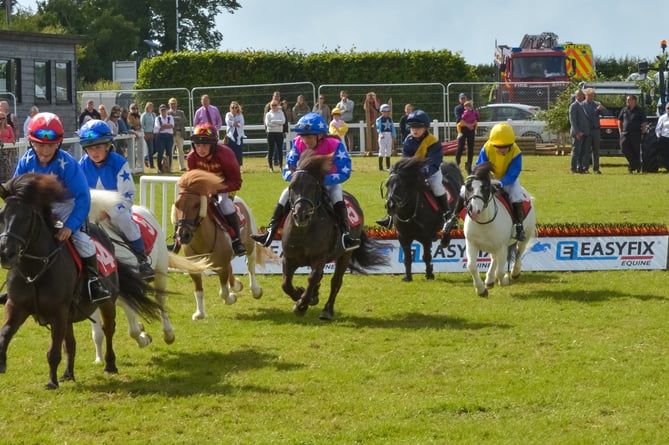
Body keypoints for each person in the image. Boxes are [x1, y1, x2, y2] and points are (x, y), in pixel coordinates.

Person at [14, 112, 111, 302]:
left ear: (58, 143)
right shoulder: (25, 161)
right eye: (39, 144)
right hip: (40, 208)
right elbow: (17, 191)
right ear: (31, 142)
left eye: (50, 145)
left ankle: (94, 282)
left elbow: (83, 198)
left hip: (69, 207)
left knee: (82, 240)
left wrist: (70, 227)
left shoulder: (68, 164)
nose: (44, 151)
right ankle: (17, 284)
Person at [251, 112, 360, 252]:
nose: (305, 140)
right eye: (302, 136)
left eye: (308, 136)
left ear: (320, 135)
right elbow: (287, 169)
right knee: (285, 194)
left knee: (336, 195)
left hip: (328, 183)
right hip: (303, 184)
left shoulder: (335, 145)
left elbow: (345, 171)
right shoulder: (297, 143)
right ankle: (270, 231)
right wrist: (297, 178)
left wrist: (321, 180)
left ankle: (346, 236)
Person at [78, 119, 154, 280]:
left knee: (125, 220)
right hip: (90, 211)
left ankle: (142, 261)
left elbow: (127, 196)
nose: (94, 152)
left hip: (117, 209)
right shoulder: (82, 165)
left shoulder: (119, 163)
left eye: (98, 146)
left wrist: (109, 212)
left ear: (108, 145)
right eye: (90, 148)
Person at [375, 110, 451, 247]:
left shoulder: (433, 142)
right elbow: (405, 159)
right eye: (412, 128)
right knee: (396, 187)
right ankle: (390, 216)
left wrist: (422, 173)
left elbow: (434, 162)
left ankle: (446, 214)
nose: (414, 130)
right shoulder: (408, 140)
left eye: (418, 128)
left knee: (437, 187)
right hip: (412, 173)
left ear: (425, 128)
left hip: (431, 172)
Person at [444, 122, 527, 243]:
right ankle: (453, 218)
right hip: (489, 178)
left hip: (508, 179)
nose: (502, 149)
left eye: (505, 147)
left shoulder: (516, 152)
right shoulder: (487, 147)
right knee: (463, 190)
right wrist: (483, 178)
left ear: (511, 144)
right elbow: (480, 166)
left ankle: (519, 226)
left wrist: (502, 182)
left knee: (516, 195)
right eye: (498, 147)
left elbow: (514, 171)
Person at [187, 123, 247, 256]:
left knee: (224, 204)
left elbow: (236, 182)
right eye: (197, 145)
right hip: (202, 188)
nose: (201, 149)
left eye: (205, 145)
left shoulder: (226, 155)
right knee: (186, 204)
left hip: (225, 187)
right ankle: (178, 240)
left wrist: (215, 190)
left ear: (213, 145)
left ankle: (236, 241)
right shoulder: (191, 157)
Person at [617, 95, 648, 174]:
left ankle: (633, 167)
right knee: (623, 147)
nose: (627, 101)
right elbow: (619, 121)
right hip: (625, 133)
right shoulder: (624, 110)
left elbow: (644, 122)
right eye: (627, 100)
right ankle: (636, 164)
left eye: (629, 100)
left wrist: (643, 132)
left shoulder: (640, 110)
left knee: (635, 150)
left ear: (634, 101)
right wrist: (620, 131)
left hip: (636, 133)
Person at [581, 88, 607, 174]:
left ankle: (596, 169)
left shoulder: (597, 104)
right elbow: (585, 116)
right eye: (589, 95)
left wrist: (602, 109)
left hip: (596, 130)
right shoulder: (582, 105)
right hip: (587, 130)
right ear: (585, 96)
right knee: (586, 150)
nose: (591, 97)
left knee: (596, 150)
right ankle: (585, 168)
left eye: (592, 95)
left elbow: (606, 113)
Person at [455, 100, 479, 174]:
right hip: (463, 129)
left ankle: (469, 166)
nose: (463, 99)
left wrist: (473, 125)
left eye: (464, 98)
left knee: (470, 147)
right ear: (459, 99)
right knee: (460, 147)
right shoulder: (458, 108)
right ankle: (457, 164)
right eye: (461, 98)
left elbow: (476, 118)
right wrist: (468, 125)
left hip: (471, 129)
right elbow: (459, 119)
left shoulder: (473, 110)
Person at [569, 89, 590, 174]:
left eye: (582, 95)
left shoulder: (584, 105)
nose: (581, 96)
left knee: (583, 152)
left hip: (584, 132)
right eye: (579, 95)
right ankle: (573, 168)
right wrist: (577, 132)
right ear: (576, 96)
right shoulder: (574, 106)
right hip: (578, 133)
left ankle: (580, 167)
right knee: (576, 151)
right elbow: (573, 120)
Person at [264, 100, 285, 172]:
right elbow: (267, 124)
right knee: (271, 150)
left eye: (275, 105)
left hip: (279, 133)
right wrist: (277, 123)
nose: (274, 107)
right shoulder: (268, 114)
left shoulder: (281, 113)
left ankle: (280, 166)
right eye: (272, 105)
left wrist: (273, 121)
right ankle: (270, 167)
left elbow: (283, 121)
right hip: (271, 133)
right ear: (270, 106)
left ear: (278, 105)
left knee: (280, 150)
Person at [168, 97, 188, 171]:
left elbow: (185, 120)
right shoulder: (167, 113)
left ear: (176, 104)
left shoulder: (181, 112)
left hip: (180, 133)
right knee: (170, 150)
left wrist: (175, 119)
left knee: (181, 150)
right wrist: (177, 119)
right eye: (171, 104)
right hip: (172, 134)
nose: (173, 105)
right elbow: (169, 122)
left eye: (174, 104)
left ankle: (182, 166)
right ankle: (171, 167)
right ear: (169, 105)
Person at [154, 104, 174, 173]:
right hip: (160, 136)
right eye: (162, 110)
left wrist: (164, 126)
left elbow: (172, 126)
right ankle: (159, 168)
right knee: (160, 152)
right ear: (159, 111)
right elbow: (158, 128)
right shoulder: (157, 118)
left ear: (166, 110)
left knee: (169, 152)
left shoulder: (170, 117)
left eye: (164, 110)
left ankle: (168, 167)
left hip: (169, 136)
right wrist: (167, 126)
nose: (163, 111)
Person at [225, 101, 245, 168]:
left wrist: (233, 123)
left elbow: (241, 124)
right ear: (230, 108)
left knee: (238, 152)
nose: (234, 109)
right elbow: (228, 122)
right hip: (230, 136)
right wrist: (235, 123)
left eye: (235, 107)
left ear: (237, 108)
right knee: (230, 152)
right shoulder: (228, 114)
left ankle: (238, 167)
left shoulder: (240, 115)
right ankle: (230, 166)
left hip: (238, 135)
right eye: (232, 107)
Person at [376, 104, 396, 171]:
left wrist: (394, 136)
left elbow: (392, 128)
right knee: (382, 150)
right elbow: (378, 128)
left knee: (388, 150)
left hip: (389, 135)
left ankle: (388, 166)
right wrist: (380, 134)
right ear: (381, 112)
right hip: (383, 135)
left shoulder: (390, 119)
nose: (386, 113)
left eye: (388, 111)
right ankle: (380, 167)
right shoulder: (379, 119)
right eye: (384, 111)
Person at [141, 102, 156, 168]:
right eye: (149, 107)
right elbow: (142, 124)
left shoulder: (153, 115)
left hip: (152, 133)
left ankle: (146, 158)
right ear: (146, 107)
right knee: (150, 149)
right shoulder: (144, 115)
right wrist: (144, 133)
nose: (150, 108)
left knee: (154, 149)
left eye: (151, 107)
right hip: (146, 133)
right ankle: (151, 165)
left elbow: (155, 124)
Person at [655, 103, 669, 170]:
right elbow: (658, 129)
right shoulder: (662, 118)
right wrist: (658, 136)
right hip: (664, 138)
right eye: (668, 108)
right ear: (666, 109)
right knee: (665, 153)